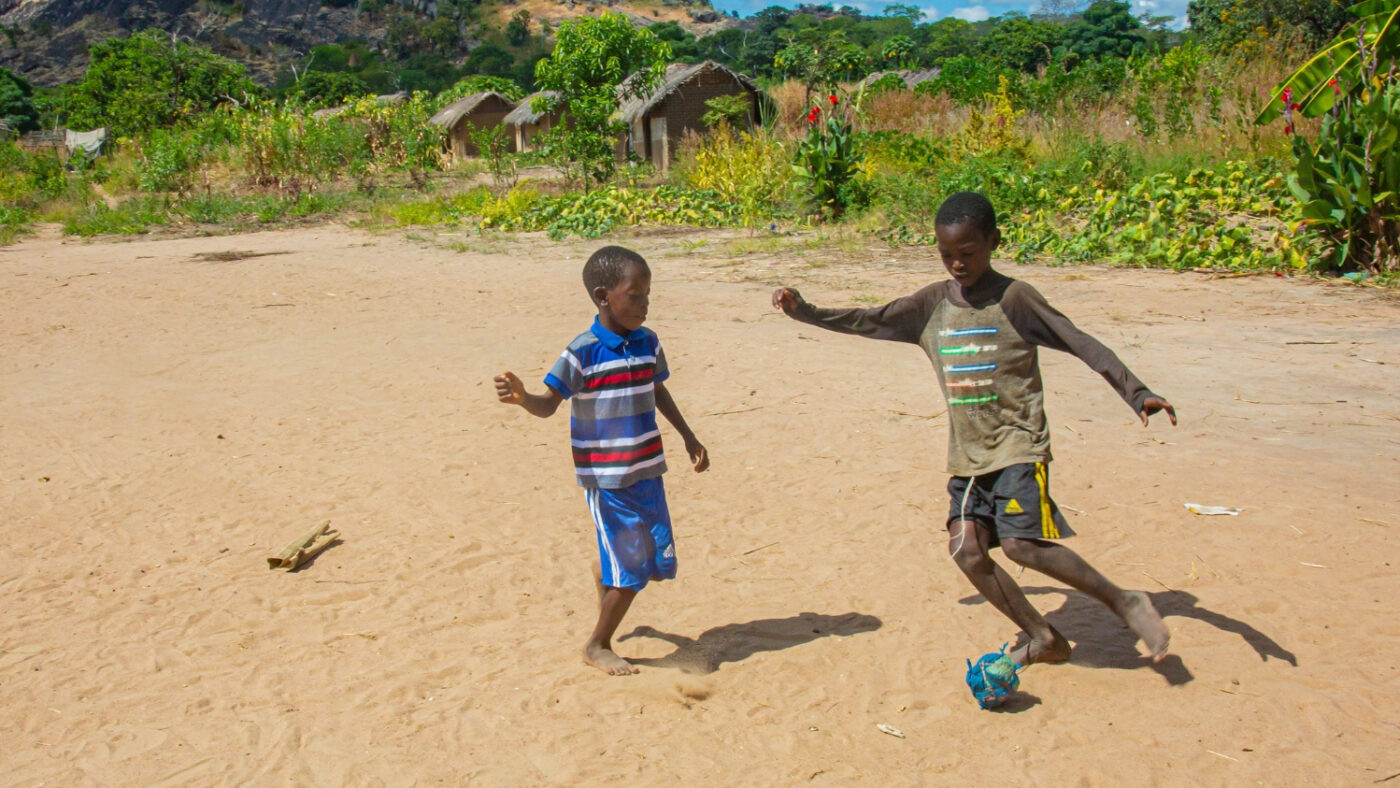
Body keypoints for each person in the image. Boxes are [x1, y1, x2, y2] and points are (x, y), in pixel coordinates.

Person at [771, 191, 1175, 668]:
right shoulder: (930, 306)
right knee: (966, 552)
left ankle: (1124, 601)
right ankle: (1043, 636)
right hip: (968, 456)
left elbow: (1080, 342)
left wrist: (1136, 391)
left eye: (968, 253)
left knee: (1023, 544)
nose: (957, 264)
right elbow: (870, 319)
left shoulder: (1016, 300)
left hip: (1018, 445)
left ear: (993, 242)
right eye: (947, 255)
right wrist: (806, 311)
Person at [495, 245, 709, 676]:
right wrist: (523, 399)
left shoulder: (648, 343)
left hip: (648, 471)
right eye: (635, 295)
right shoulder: (583, 352)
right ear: (602, 295)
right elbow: (549, 404)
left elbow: (657, 389)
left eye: (648, 296)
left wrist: (688, 436)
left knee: (656, 564)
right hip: (608, 480)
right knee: (632, 570)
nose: (644, 305)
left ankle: (605, 572)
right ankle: (598, 644)